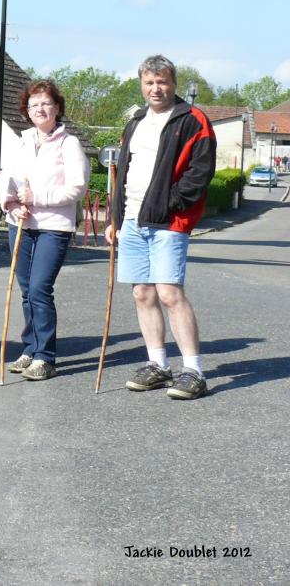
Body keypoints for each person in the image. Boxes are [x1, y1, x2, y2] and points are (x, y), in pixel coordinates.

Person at [107, 55, 216, 399]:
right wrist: (114, 218)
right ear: (141, 84)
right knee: (142, 293)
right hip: (132, 221)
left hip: (170, 221)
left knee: (169, 294)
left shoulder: (193, 120)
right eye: (149, 82)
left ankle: (193, 371)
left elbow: (199, 174)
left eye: (162, 82)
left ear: (174, 84)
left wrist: (169, 204)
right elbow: (122, 173)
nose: (156, 89)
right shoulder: (136, 120)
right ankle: (158, 365)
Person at [0, 81, 90, 381]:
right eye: (34, 104)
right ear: (27, 110)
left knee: (39, 288)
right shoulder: (20, 142)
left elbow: (77, 188)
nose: (40, 108)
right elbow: (4, 181)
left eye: (46, 103)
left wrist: (37, 198)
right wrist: (9, 206)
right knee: (27, 290)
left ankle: (45, 356)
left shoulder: (69, 144)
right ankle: (30, 348)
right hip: (20, 224)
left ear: (57, 108)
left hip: (54, 227)